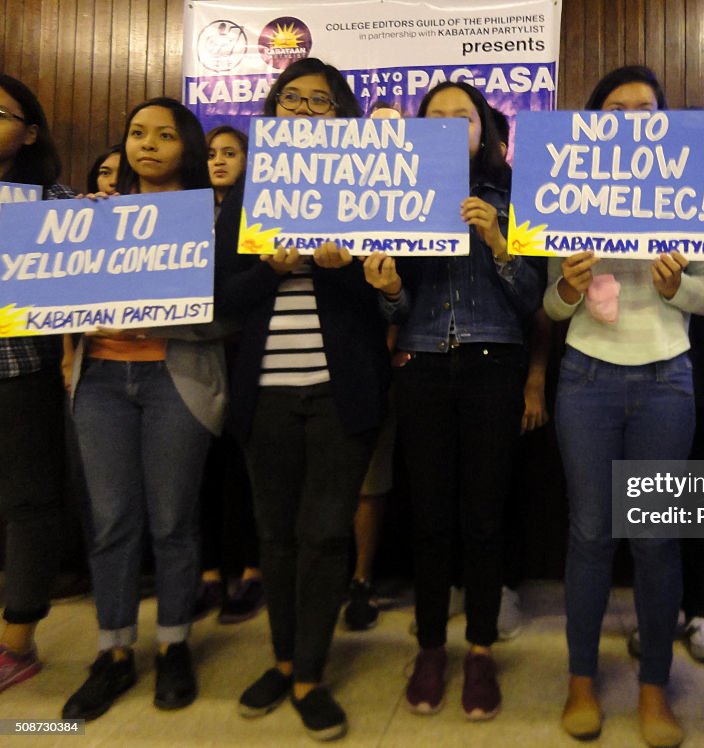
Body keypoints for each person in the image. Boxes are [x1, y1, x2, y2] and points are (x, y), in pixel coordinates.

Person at [545, 66, 704, 748]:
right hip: (586, 374)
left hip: (666, 378)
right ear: (592, 122)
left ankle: (655, 687)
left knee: (654, 539)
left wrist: (678, 286)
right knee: (591, 535)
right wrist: (564, 281)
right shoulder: (567, 188)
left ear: (664, 121)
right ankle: (581, 679)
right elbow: (551, 308)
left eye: (643, 110)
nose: (627, 120)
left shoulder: (689, 190)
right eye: (613, 110)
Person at [215, 58, 390, 741]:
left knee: (323, 535)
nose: (308, 108)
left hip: (341, 391)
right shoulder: (248, 194)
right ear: (273, 111)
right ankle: (284, 660)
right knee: (277, 536)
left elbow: (388, 293)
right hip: (265, 394)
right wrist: (269, 269)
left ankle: (312, 672)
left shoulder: (369, 189)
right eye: (294, 98)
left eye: (322, 100)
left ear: (342, 115)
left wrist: (355, 271)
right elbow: (225, 300)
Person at [362, 80, 544, 721]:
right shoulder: (396, 198)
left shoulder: (514, 196)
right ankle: (434, 646)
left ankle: (483, 649)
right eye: (431, 117)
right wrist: (385, 288)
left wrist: (498, 241)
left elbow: (533, 301)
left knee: (486, 515)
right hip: (421, 362)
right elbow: (396, 303)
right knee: (431, 515)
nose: (445, 126)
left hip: (495, 359)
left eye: (459, 117)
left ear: (485, 131)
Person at [62, 97, 227, 721]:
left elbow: (229, 309)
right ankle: (112, 652)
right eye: (136, 134)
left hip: (174, 379)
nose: (147, 144)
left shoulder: (215, 218)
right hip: (100, 379)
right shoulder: (96, 215)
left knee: (174, 522)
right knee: (110, 522)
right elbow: (55, 294)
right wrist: (78, 237)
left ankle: (174, 644)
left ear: (187, 144)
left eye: (163, 134)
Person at [0, 73, 77, 694]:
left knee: (29, 501)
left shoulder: (53, 202)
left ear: (29, 132)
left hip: (18, 373)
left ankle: (17, 637)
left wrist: (104, 225)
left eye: (0, 113)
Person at [193, 123, 264, 625]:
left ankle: (254, 570)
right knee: (204, 466)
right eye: (210, 153)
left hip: (243, 347)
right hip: (194, 349)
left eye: (230, 152)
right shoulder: (182, 210)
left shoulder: (257, 206)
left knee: (248, 465)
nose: (218, 160)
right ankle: (210, 573)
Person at [340, 101, 405, 633]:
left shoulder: (424, 193)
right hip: (337, 350)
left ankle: (362, 579)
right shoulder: (336, 192)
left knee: (372, 478)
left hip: (397, 358)